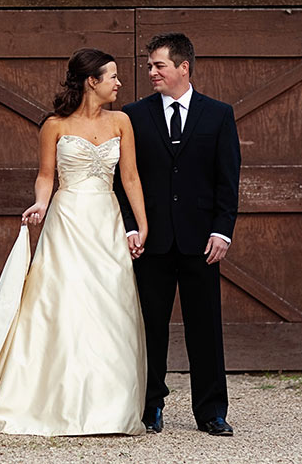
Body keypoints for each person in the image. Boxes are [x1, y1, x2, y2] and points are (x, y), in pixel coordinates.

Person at [0, 48, 150, 436]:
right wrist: (39, 204)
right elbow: (46, 175)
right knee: (61, 305)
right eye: (112, 76)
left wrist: (142, 224)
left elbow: (130, 178)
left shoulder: (122, 122)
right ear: (91, 81)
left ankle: (109, 409)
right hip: (66, 220)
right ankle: (55, 401)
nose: (119, 83)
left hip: (106, 221)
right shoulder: (54, 125)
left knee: (111, 308)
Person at [115, 32, 241, 437]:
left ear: (183, 67)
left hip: (201, 241)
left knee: (205, 328)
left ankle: (211, 412)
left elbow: (228, 179)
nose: (151, 72)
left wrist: (222, 231)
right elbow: (123, 179)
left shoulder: (219, 115)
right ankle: (151, 406)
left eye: (158, 65)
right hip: (151, 243)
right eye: (149, 65)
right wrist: (132, 227)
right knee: (149, 327)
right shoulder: (133, 115)